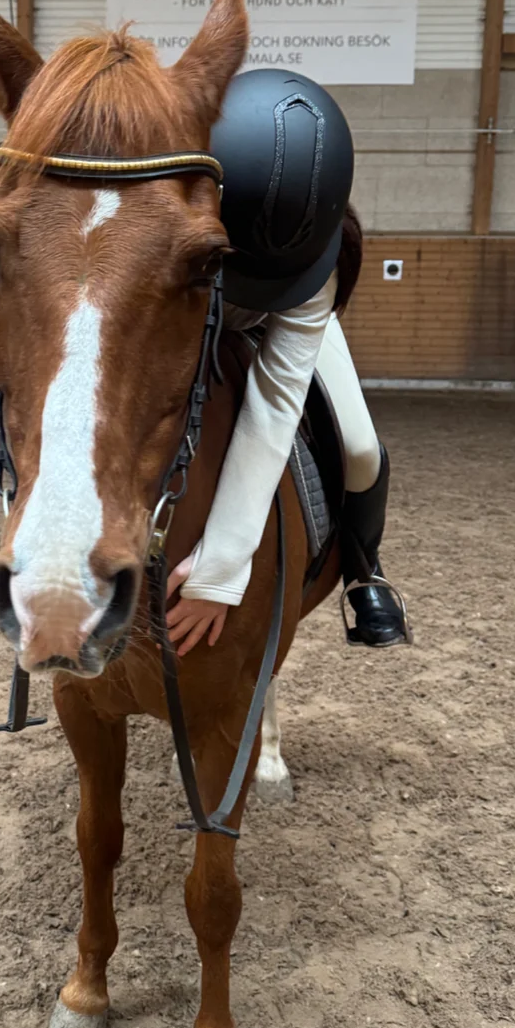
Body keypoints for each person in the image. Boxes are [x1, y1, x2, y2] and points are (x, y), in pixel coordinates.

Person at [166, 69, 410, 654]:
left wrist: (220, 568)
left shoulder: (315, 259)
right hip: (184, 295)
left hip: (285, 311)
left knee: (358, 447)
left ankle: (362, 569)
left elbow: (275, 404)